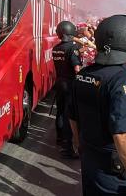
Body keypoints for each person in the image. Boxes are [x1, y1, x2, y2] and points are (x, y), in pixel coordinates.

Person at [69, 15, 126, 196]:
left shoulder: (84, 74)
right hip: (113, 166)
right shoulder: (124, 80)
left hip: (90, 155)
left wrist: (78, 143)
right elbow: (122, 134)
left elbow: (72, 116)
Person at [52, 21, 82, 158]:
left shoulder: (56, 48)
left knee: (59, 111)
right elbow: (76, 68)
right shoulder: (73, 48)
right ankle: (68, 146)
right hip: (70, 83)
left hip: (59, 82)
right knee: (69, 114)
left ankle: (59, 138)